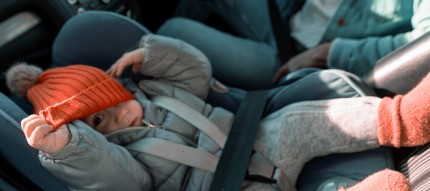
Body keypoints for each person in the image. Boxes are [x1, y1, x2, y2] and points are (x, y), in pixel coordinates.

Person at [9, 33, 420, 191]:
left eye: (115, 103)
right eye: (99, 121)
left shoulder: (155, 89)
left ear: (121, 86)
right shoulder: (121, 158)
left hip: (255, 139)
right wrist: (69, 148)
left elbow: (198, 73)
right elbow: (113, 182)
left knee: (300, 119)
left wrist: (153, 56)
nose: (118, 117)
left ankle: (403, 117)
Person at [156, 0, 430, 89]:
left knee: (171, 32)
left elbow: (423, 45)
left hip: (296, 62)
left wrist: (329, 53)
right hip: (287, 18)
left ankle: (158, 75)